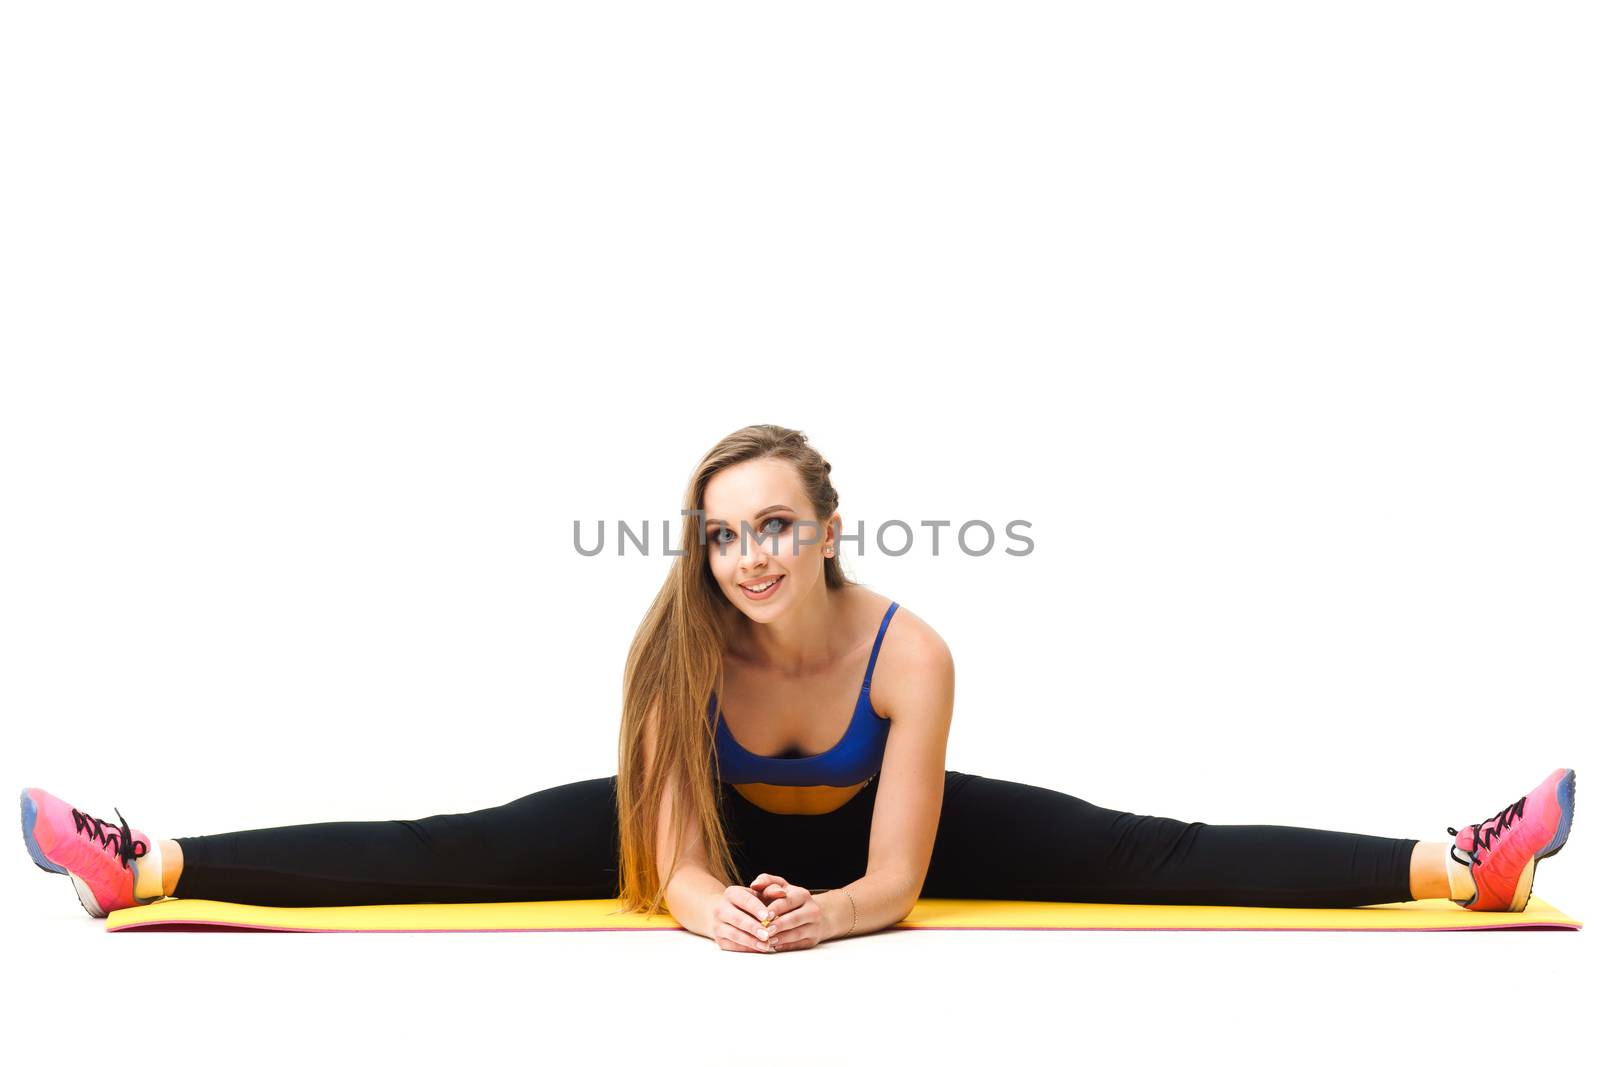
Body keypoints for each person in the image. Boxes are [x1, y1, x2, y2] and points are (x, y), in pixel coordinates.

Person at [21, 424, 1579, 953]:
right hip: (711, 831)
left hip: (869, 844)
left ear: (830, 525)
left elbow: (898, 871)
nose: (749, 557)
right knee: (460, 837)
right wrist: (711, 906)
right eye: (722, 536)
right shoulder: (673, 643)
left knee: (1143, 843)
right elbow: (679, 854)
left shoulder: (913, 652)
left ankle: (1459, 863)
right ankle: (147, 858)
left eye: (774, 527)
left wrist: (822, 914)